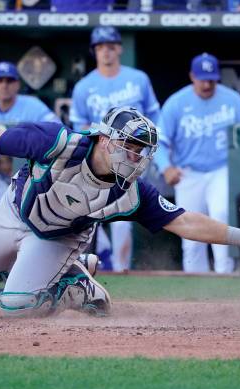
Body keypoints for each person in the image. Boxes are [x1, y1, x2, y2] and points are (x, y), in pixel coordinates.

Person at [0, 107, 240, 317]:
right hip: (14, 211)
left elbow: (185, 222)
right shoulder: (56, 142)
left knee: (17, 306)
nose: (136, 157)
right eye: (129, 147)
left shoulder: (132, 192)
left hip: (59, 239)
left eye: (142, 152)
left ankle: (80, 288)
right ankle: (62, 271)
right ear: (105, 139)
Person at [154, 52, 240, 273]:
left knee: (221, 215)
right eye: (202, 78)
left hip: (222, 169)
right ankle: (196, 289)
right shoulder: (177, 102)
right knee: (189, 231)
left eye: (211, 79)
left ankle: (225, 275)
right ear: (192, 76)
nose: (207, 83)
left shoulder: (233, 100)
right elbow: (158, 141)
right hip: (188, 173)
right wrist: (166, 167)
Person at [70, 26, 161, 272]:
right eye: (100, 47)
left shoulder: (138, 78)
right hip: (98, 159)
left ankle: (121, 269)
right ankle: (90, 265)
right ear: (94, 51)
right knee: (88, 213)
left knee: (122, 216)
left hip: (132, 155)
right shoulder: (83, 87)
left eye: (110, 46)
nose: (106, 52)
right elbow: (80, 128)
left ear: (119, 48)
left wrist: (156, 156)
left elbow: (154, 117)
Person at [0, 61, 60, 204]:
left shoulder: (32, 105)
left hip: (29, 171)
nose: (4, 85)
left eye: (9, 80)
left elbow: (57, 129)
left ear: (17, 84)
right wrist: (2, 159)